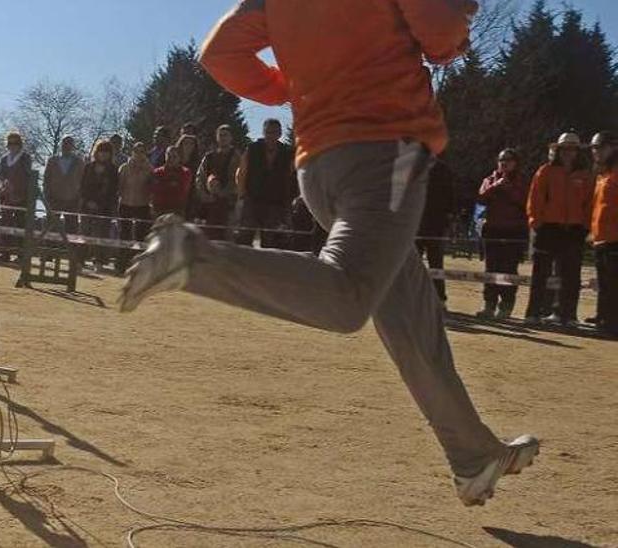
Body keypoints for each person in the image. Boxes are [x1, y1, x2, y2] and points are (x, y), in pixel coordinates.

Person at [123, 0, 537, 507]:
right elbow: (441, 28)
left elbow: (220, 52)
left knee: (412, 318)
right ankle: (191, 257)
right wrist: (455, 36)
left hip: (318, 165)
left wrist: (287, 86)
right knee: (347, 297)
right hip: (389, 150)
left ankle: (473, 456)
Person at [525, 133, 593, 326]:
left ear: (577, 152)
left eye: (572, 149)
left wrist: (585, 226)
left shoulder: (585, 175)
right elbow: (534, 198)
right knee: (540, 274)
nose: (568, 152)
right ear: (558, 150)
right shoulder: (545, 171)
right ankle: (533, 313)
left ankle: (567, 315)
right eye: (564, 148)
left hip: (574, 230)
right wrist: (536, 222)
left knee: (571, 275)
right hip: (548, 228)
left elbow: (589, 203)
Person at [476, 149, 530, 320]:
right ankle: (489, 305)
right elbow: (481, 198)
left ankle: (506, 306)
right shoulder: (489, 180)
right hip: (492, 229)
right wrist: (496, 186)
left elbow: (526, 202)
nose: (504, 163)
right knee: (491, 269)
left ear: (516, 163)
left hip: (514, 231)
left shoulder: (522, 182)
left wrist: (510, 189)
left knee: (509, 269)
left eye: (508, 160)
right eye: (501, 160)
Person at [236, 119, 297, 248]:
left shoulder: (287, 153)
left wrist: (288, 200)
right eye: (268, 132)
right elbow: (242, 172)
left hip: (275, 204)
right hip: (252, 200)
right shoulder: (252, 148)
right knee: (244, 238)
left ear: (280, 134)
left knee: (270, 243)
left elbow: (291, 177)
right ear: (263, 133)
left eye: (274, 132)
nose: (271, 135)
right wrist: (242, 195)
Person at [417, 161, 456, 305]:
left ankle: (439, 298)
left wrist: (450, 221)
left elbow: (450, 196)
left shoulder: (442, 168)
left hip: (436, 225)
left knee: (436, 264)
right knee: (413, 265)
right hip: (415, 225)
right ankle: (414, 298)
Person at [193, 125, 241, 241]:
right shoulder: (209, 157)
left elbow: (239, 178)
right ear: (217, 137)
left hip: (229, 204)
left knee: (228, 237)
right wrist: (204, 195)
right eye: (221, 135)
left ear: (231, 138)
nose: (223, 138)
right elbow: (200, 177)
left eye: (226, 135)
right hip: (209, 204)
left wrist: (225, 193)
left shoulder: (237, 157)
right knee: (208, 238)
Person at [591, 132, 618, 337]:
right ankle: (603, 317)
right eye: (594, 148)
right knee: (604, 282)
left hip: (614, 238)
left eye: (600, 147)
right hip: (601, 237)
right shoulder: (603, 174)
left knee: (613, 283)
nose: (596, 152)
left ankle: (611, 323)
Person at [80, 139, 121, 268]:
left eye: (106, 152)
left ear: (110, 154)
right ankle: (80, 260)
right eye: (101, 151)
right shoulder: (88, 167)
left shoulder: (114, 170)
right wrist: (88, 201)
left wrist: (101, 204)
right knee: (84, 233)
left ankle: (99, 260)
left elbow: (113, 190)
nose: (103, 154)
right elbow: (82, 187)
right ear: (96, 152)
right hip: (87, 206)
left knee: (101, 233)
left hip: (105, 208)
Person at [0, 131, 35, 260]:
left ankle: (21, 254)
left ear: (20, 144)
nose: (12, 146)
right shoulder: (4, 159)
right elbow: (1, 175)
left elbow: (28, 176)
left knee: (21, 225)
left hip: (21, 197)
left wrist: (18, 189)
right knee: (5, 223)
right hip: (6, 196)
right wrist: (5, 183)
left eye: (15, 143)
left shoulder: (25, 158)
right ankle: (5, 252)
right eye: (10, 143)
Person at [44, 136, 85, 233]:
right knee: (51, 228)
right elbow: (46, 179)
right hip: (54, 200)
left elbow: (83, 181)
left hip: (72, 200)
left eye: (69, 144)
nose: (66, 146)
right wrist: (47, 196)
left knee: (72, 229)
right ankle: (49, 247)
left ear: (73, 146)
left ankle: (71, 248)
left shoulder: (79, 162)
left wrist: (80, 198)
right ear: (61, 145)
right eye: (64, 143)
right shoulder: (52, 160)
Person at [118, 141, 154, 245]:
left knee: (141, 234)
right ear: (132, 152)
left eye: (142, 151)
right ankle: (123, 258)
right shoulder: (124, 167)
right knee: (124, 233)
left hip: (142, 205)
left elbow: (151, 187)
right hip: (125, 204)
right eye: (136, 151)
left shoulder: (150, 169)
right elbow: (119, 186)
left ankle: (138, 258)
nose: (139, 153)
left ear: (145, 153)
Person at [149, 144, 191, 218]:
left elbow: (182, 189)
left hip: (177, 210)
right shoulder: (157, 172)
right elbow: (153, 190)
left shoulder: (185, 172)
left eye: (174, 156)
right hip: (159, 210)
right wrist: (171, 183)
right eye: (168, 156)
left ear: (179, 158)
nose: (171, 159)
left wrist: (163, 184)